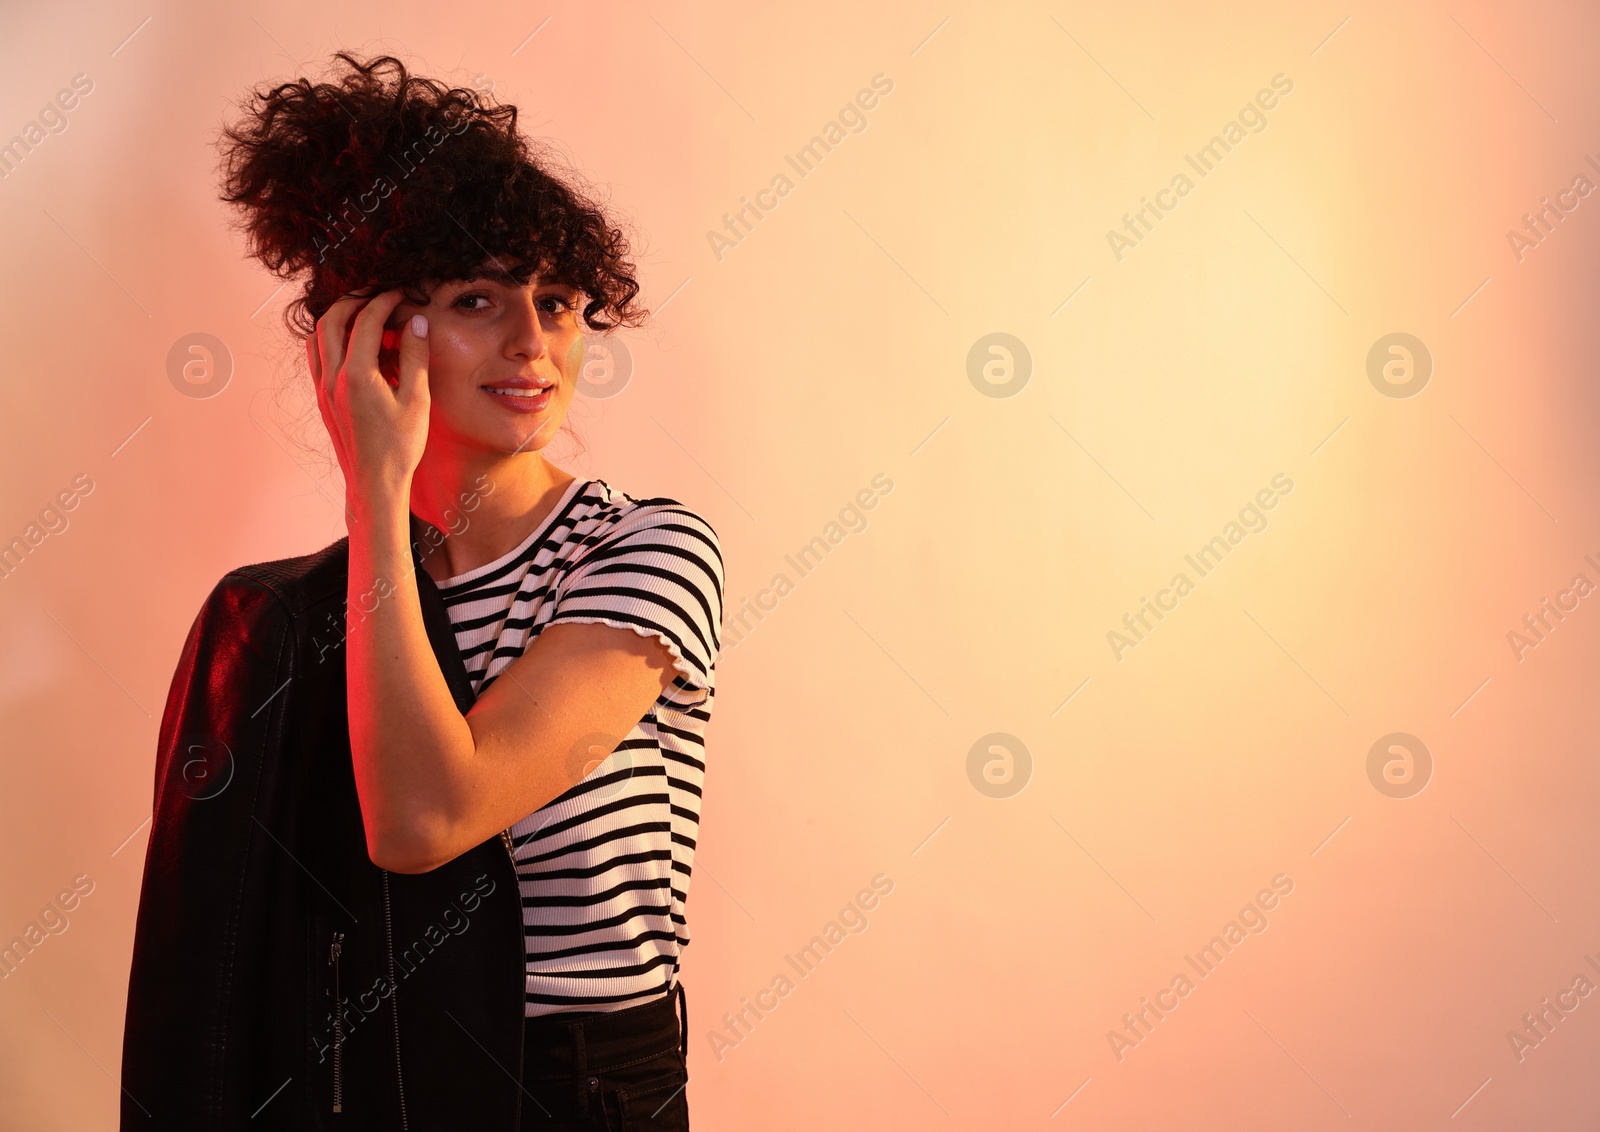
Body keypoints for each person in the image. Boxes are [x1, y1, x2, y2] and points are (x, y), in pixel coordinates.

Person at [120, 52, 722, 1130]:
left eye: (558, 300)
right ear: (376, 333)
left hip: (580, 1088)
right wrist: (380, 507)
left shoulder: (642, 551)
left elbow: (426, 818)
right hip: (380, 1086)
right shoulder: (299, 615)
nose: (532, 342)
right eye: (479, 298)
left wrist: (370, 493)